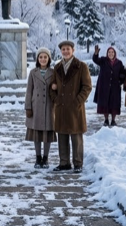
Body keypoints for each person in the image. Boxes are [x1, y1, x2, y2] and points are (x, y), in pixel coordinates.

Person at [49, 40, 92, 173]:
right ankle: (64, 163)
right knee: (62, 136)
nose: (65, 51)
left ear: (73, 50)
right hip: (61, 106)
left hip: (75, 107)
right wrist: (56, 98)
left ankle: (78, 163)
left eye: (68, 49)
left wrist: (78, 101)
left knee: (76, 136)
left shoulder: (81, 66)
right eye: (63, 49)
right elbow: (52, 87)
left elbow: (87, 87)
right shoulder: (57, 68)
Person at [25, 47, 56, 169]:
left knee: (47, 132)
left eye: (45, 57)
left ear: (49, 59)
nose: (43, 59)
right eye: (40, 57)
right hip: (36, 106)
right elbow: (29, 91)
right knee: (36, 133)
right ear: (37, 59)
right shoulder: (33, 73)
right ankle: (38, 157)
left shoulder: (53, 72)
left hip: (49, 107)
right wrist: (28, 107)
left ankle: (45, 158)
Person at [92, 44, 126, 127]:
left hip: (115, 86)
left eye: (112, 52)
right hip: (104, 86)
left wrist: (120, 80)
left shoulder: (119, 62)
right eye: (109, 52)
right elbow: (95, 60)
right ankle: (106, 120)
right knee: (105, 103)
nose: (111, 54)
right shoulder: (103, 60)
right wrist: (96, 54)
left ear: (114, 53)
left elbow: (123, 72)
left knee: (114, 103)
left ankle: (113, 120)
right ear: (107, 53)